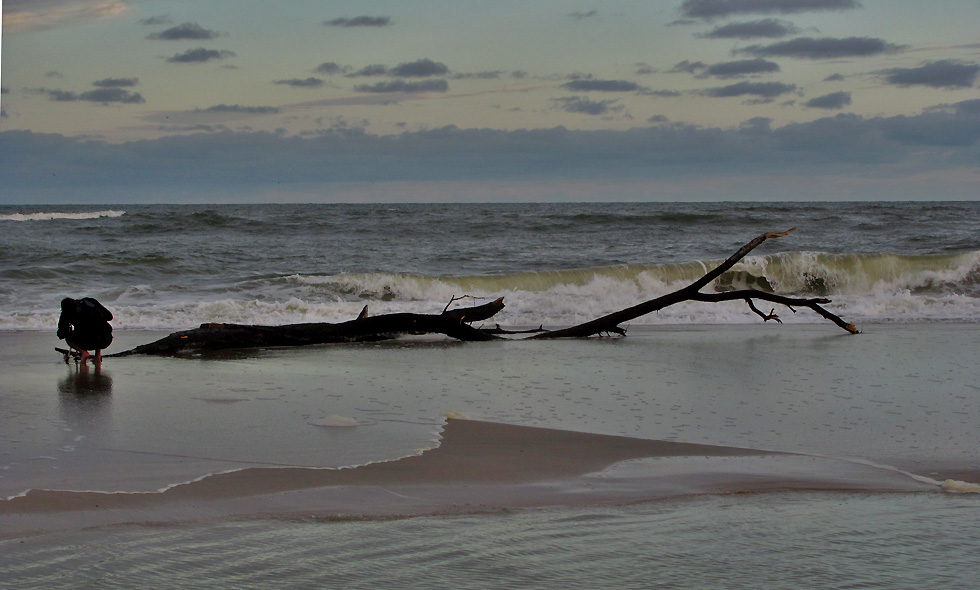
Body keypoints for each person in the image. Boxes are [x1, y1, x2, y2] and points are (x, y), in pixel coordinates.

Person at [57, 297, 113, 367]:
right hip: (106, 340)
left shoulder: (66, 311)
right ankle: (97, 356)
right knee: (98, 329)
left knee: (69, 339)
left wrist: (70, 328)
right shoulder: (90, 302)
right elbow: (109, 317)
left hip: (86, 342)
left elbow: (61, 334)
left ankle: (84, 353)